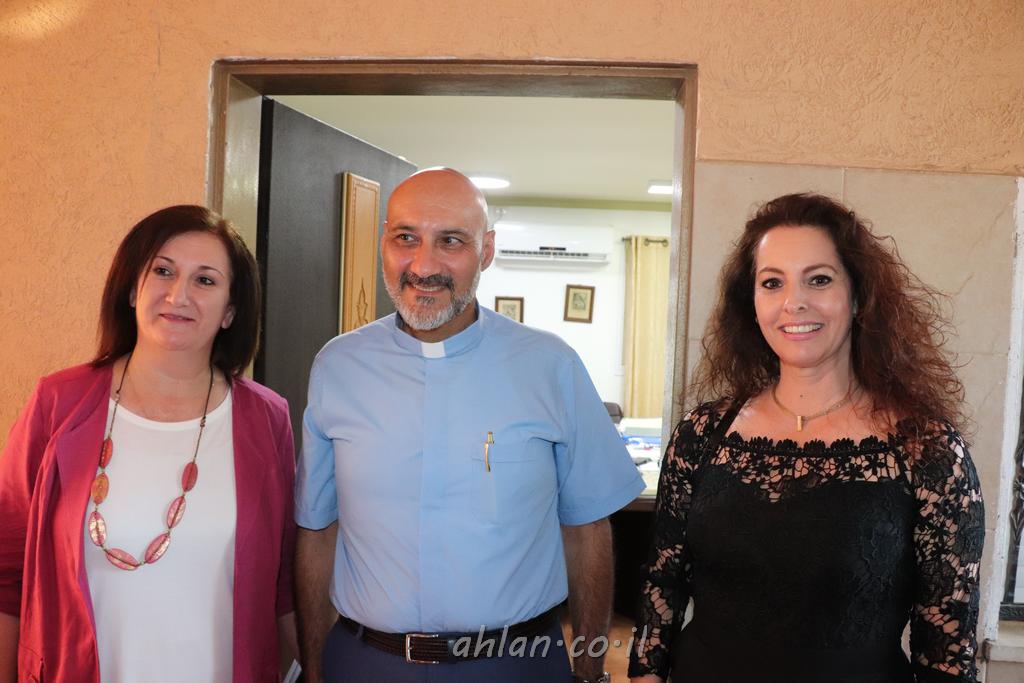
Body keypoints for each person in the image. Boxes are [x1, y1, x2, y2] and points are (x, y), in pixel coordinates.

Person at [294, 168, 644, 683]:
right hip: (367, 662)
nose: (423, 265)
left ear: (486, 251)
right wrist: (314, 669)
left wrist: (589, 672)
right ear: (383, 242)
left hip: (516, 664)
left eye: (451, 241)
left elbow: (587, 529)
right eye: (406, 238)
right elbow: (317, 530)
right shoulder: (337, 367)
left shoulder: (550, 366)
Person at [628, 193, 984, 683]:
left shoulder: (928, 451)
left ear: (857, 297)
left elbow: (947, 647)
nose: (793, 302)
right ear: (752, 304)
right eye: (772, 283)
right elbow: (661, 584)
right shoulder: (702, 434)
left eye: (819, 279)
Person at [0, 205, 298, 682]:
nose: (178, 295)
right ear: (132, 288)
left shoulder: (267, 419)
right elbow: (6, 574)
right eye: (162, 271)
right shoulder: (58, 403)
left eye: (205, 280)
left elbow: (284, 588)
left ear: (230, 312)